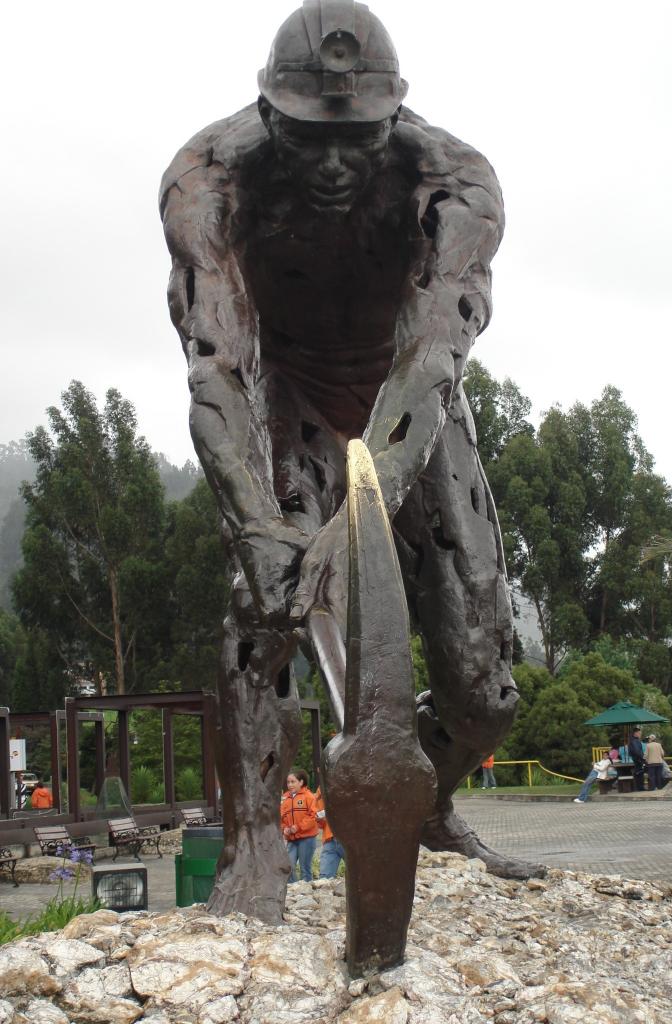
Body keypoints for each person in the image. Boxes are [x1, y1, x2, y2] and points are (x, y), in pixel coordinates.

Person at [161, 0, 538, 895]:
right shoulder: (209, 177)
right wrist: (258, 524)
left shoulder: (454, 182)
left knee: (483, 693)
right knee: (264, 607)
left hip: (408, 396)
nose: (332, 166)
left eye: (355, 140)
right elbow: (218, 360)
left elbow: (434, 351)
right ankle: (256, 848)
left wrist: (364, 515)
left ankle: (426, 803)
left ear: (397, 115)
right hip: (286, 388)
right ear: (266, 113)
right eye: (307, 139)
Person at [280, 770, 319, 883]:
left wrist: (298, 827)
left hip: (307, 838)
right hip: (292, 839)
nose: (290, 785)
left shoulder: (309, 797)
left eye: (293, 782)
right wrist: (284, 829)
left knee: (304, 868)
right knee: (288, 867)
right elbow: (281, 818)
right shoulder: (285, 799)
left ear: (301, 782)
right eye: (288, 782)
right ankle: (297, 891)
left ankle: (306, 896)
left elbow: (313, 816)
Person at [315, 786, 345, 879]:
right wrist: (319, 818)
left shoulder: (322, 787)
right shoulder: (321, 789)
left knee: (361, 878)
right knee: (324, 881)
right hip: (330, 839)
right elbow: (319, 816)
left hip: (350, 840)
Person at [628, 727, 646, 791]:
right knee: (639, 774)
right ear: (635, 733)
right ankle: (640, 788)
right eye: (639, 733)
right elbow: (637, 751)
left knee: (638, 773)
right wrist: (642, 758)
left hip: (636, 759)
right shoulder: (634, 741)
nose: (640, 735)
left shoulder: (633, 740)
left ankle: (639, 787)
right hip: (637, 760)